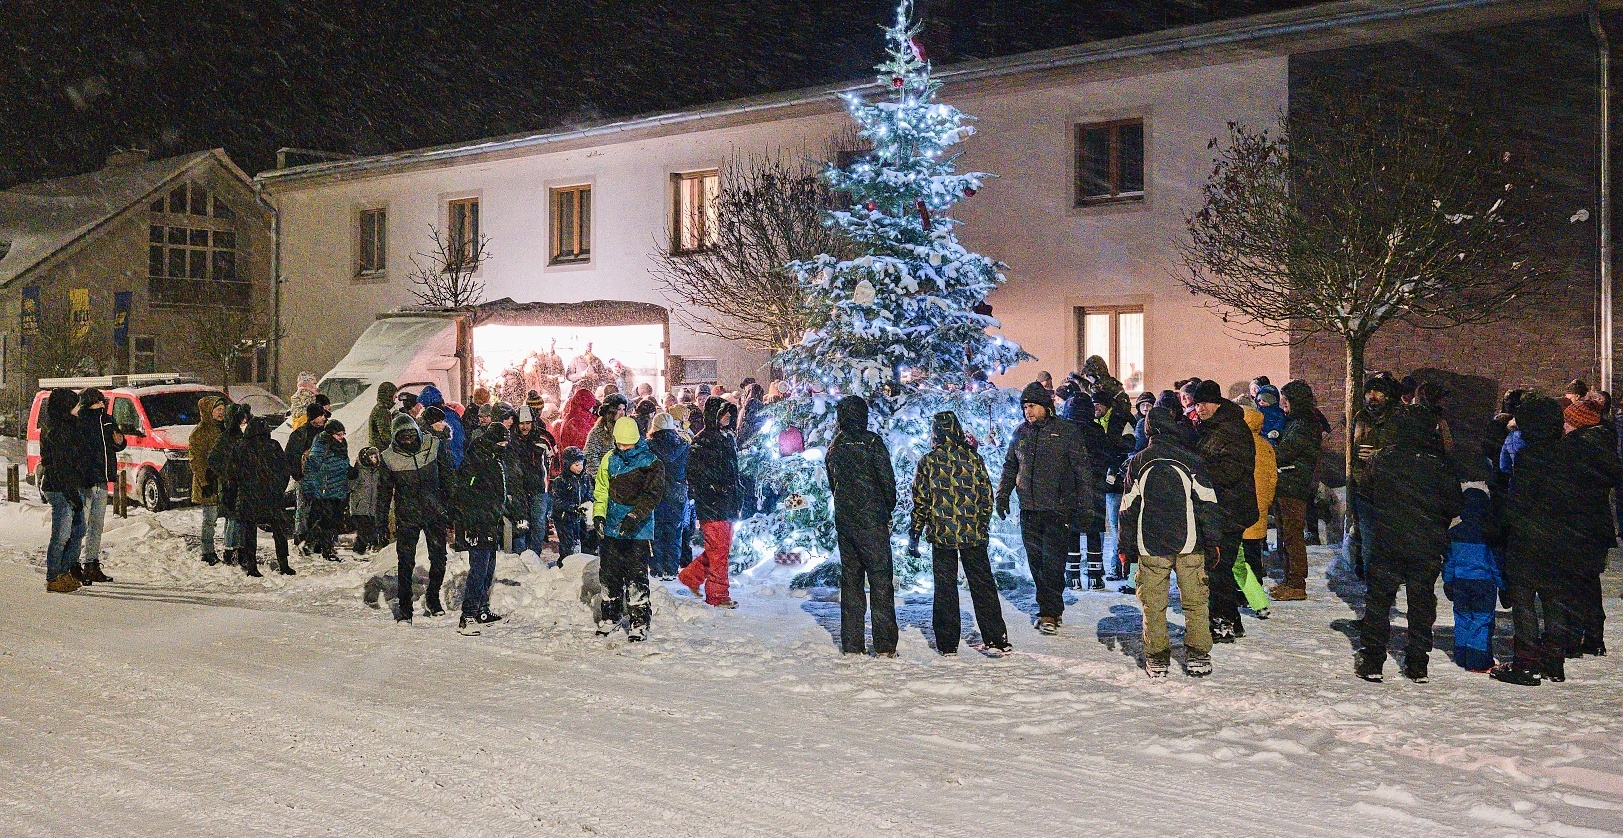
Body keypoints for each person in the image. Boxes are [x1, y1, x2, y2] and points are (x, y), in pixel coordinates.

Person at [1354, 410, 1462, 683]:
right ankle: (1417, 662)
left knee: (1379, 601)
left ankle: (1373, 658)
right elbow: (1454, 505)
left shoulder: (1382, 459)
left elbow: (1365, 493)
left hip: (1388, 540)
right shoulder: (1441, 464)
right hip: (1425, 543)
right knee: (1421, 602)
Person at [1120, 406, 1222, 677]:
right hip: (1189, 544)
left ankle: (1156, 655)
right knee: (1195, 602)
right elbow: (1208, 503)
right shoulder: (1190, 460)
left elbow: (1127, 508)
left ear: (1148, 429)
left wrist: (1125, 548)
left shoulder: (1138, 462)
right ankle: (1198, 653)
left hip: (1150, 544)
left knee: (1153, 603)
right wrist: (1213, 540)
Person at [911, 411, 1010, 656]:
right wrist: (981, 524)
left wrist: (915, 533)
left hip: (942, 535)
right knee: (983, 585)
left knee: (945, 588)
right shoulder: (973, 459)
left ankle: (947, 643)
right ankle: (996, 638)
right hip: (972, 533)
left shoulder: (929, 462)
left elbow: (921, 501)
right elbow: (986, 496)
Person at [998, 382, 1091, 635]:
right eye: (1025, 407)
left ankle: (1049, 612)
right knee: (1036, 563)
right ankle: (1048, 606)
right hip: (1029, 509)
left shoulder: (1066, 432)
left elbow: (1081, 470)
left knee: (1052, 563)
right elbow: (1010, 467)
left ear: (1046, 406)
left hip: (1057, 510)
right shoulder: (1020, 433)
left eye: (1033, 406)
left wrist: (1085, 506)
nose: (1028, 411)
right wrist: (1003, 495)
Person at [825, 396, 899, 655]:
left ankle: (853, 643)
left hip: (847, 522)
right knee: (880, 582)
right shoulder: (872, 442)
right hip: (872, 522)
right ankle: (885, 645)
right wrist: (884, 508)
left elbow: (832, 481)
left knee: (851, 583)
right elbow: (887, 481)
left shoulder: (836, 445)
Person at [1190, 379, 1259, 643]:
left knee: (1219, 567)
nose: (1201, 408)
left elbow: (1233, 470)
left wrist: (1199, 475)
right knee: (1220, 567)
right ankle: (1230, 620)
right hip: (1221, 509)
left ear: (1217, 402)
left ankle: (1224, 622)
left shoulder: (1231, 429)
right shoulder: (1212, 427)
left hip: (1231, 509)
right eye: (1197, 403)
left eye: (1205, 403)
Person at [592, 417, 665, 641]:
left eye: (629, 444)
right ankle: (611, 616)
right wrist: (599, 515)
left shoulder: (651, 462)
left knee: (636, 575)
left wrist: (635, 516)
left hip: (638, 530)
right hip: (613, 527)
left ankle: (639, 621)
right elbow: (602, 490)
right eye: (621, 444)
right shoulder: (609, 459)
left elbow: (652, 495)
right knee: (609, 573)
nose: (624, 448)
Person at [452, 422, 525, 635]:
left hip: (490, 521)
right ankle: (467, 615)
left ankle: (481, 610)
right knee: (479, 568)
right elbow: (466, 494)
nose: (504, 446)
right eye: (501, 443)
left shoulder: (495, 459)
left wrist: (511, 512)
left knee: (488, 567)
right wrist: (470, 523)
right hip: (477, 523)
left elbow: (499, 493)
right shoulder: (477, 460)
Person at [1563, 397, 1620, 658]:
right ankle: (1595, 637)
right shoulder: (1604, 445)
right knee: (1589, 580)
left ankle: (1573, 636)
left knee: (1573, 581)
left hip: (1577, 522)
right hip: (1597, 524)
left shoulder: (1574, 447)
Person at [381, 413, 453, 623]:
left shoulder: (434, 445)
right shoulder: (389, 457)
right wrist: (381, 521)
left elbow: (448, 477)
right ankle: (405, 608)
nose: (409, 440)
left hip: (434, 512)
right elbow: (384, 492)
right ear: (396, 438)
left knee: (439, 559)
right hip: (408, 514)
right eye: (403, 437)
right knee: (405, 562)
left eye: (412, 435)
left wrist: (451, 507)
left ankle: (433, 597)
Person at [681, 396, 742, 607]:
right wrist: (714, 490)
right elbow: (695, 474)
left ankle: (691, 576)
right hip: (712, 504)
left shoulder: (727, 438)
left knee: (719, 549)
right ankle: (718, 595)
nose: (727, 417)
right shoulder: (703, 441)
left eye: (729, 413)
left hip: (727, 503)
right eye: (723, 413)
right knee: (719, 552)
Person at [227, 416, 296, 577]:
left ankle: (252, 566)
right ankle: (284, 564)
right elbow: (285, 470)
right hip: (272, 497)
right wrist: (278, 488)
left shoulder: (241, 447)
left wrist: (238, 489)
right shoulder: (273, 446)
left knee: (249, 533)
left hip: (249, 497)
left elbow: (232, 473)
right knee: (279, 532)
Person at [1271, 380, 1322, 600]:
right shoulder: (1296, 422)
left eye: (1287, 402)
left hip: (1294, 485)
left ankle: (1296, 584)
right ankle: (1288, 579)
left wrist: (1272, 449)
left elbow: (1285, 452)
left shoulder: (1303, 425)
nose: (1284, 406)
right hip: (1287, 485)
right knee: (1286, 535)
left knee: (1292, 536)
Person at [1350, 374, 1402, 580]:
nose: (1372, 397)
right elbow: (1354, 446)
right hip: (1364, 483)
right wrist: (1356, 455)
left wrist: (1379, 455)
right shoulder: (1361, 417)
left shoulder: (1398, 418)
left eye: (1377, 392)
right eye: (1368, 393)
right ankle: (1368, 573)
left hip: (1389, 484)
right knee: (1366, 534)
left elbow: (1401, 449)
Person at [1445, 482, 1501, 672]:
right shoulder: (1489, 534)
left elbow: (1449, 561)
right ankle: (1477, 660)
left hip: (1460, 582)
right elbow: (1495, 564)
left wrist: (1448, 581)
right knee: (1481, 620)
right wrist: (1503, 584)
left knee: (1462, 618)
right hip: (1483, 584)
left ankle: (1461, 655)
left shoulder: (1455, 533)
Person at [40, 389, 88, 592]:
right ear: (65, 407)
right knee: (61, 534)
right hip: (59, 488)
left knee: (78, 530)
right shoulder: (57, 431)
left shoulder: (70, 426)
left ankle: (64, 571)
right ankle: (54, 576)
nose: (79, 408)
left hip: (69, 486)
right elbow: (61, 466)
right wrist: (71, 494)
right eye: (75, 405)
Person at [1061, 395, 1109, 590]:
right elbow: (1105, 457)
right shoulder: (1097, 431)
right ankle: (1095, 576)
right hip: (1094, 489)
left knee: (1071, 532)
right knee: (1093, 532)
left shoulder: (1065, 431)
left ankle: (1073, 576)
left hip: (1071, 490)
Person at [1236, 404, 1276, 619]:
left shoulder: (1236, 445)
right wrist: (1266, 503)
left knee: (1237, 553)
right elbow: (1272, 479)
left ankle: (1244, 592)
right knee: (1253, 551)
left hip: (1239, 507)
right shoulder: (1265, 446)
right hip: (1258, 507)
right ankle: (1256, 589)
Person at [646, 412, 690, 581]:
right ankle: (671, 569)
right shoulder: (684, 445)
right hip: (676, 493)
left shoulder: (648, 446)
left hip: (655, 493)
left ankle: (656, 569)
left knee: (655, 532)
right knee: (674, 533)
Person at [301, 420, 352, 561]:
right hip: (325, 489)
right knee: (328, 521)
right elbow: (313, 467)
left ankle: (308, 543)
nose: (342, 437)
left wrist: (348, 469)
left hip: (339, 488)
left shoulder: (342, 445)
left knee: (330, 521)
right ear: (331, 434)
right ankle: (327, 551)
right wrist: (310, 488)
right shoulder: (321, 445)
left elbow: (343, 462)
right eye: (339, 434)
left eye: (343, 434)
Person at [209, 403, 251, 566]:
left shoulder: (237, 436)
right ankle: (230, 549)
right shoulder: (228, 437)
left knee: (236, 517)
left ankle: (237, 548)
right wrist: (227, 472)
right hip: (230, 484)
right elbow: (213, 459)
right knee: (233, 517)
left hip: (236, 483)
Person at [513, 405, 556, 556]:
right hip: (519, 489)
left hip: (539, 488)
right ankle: (520, 555)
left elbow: (554, 459)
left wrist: (550, 482)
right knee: (521, 523)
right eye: (521, 423)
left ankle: (534, 555)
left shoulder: (544, 438)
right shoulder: (513, 439)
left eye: (528, 423)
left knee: (538, 523)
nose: (525, 427)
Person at [191, 396, 228, 565]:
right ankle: (207, 551)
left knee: (229, 517)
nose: (221, 412)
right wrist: (205, 483)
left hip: (224, 481)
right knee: (209, 519)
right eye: (217, 409)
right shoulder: (200, 432)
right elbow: (196, 460)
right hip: (209, 482)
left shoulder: (225, 429)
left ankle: (230, 548)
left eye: (222, 409)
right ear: (208, 411)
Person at [285, 403, 327, 551]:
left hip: (322, 478)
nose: (323, 418)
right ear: (312, 418)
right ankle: (301, 536)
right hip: (305, 477)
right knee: (303, 508)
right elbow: (290, 455)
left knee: (319, 508)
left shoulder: (326, 433)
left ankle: (316, 538)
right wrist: (298, 475)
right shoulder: (300, 434)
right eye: (320, 415)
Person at [551, 447, 593, 558]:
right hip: (564, 518)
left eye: (581, 464)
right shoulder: (560, 480)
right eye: (576, 465)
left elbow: (589, 494)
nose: (580, 468)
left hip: (580, 517)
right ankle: (564, 566)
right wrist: (573, 507)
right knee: (567, 545)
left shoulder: (585, 479)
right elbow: (558, 500)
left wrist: (588, 503)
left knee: (585, 542)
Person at [416, 384, 465, 468]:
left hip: (449, 459)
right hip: (455, 458)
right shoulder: (452, 415)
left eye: (424, 406)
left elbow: (452, 443)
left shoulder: (436, 418)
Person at [349, 446, 385, 555]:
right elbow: (350, 486)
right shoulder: (359, 470)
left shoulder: (377, 471)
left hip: (372, 506)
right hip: (360, 506)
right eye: (371, 457)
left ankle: (367, 547)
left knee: (371, 528)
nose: (374, 459)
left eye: (375, 457)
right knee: (363, 530)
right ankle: (359, 549)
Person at [583, 394, 628, 478]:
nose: (622, 413)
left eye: (624, 409)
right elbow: (590, 457)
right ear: (610, 411)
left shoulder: (627, 429)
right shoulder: (598, 432)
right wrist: (602, 479)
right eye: (618, 409)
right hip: (605, 482)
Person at [555, 387, 599, 458]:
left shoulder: (569, 416)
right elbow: (587, 446)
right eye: (592, 405)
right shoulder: (578, 422)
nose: (593, 408)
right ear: (587, 404)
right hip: (579, 463)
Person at [368, 382, 399, 451]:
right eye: (394, 395)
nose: (396, 397)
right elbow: (387, 438)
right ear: (389, 395)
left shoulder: (378, 409)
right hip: (382, 452)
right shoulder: (382, 411)